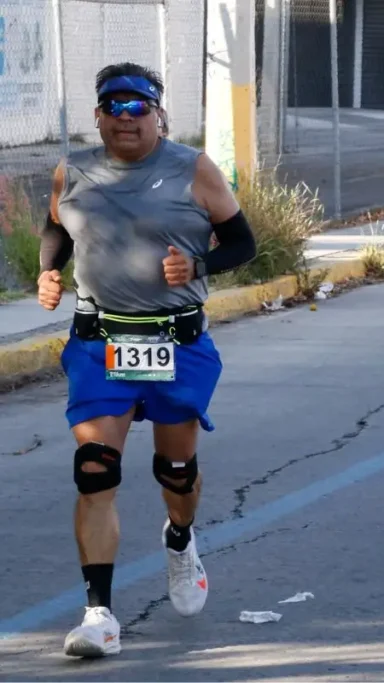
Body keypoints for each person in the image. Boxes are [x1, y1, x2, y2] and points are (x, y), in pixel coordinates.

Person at [39, 62, 256, 658]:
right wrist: (47, 271)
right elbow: (57, 225)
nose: (125, 117)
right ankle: (99, 614)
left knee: (176, 472)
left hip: (175, 343)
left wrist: (199, 265)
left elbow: (243, 241)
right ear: (98, 115)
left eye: (138, 107)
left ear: (159, 114)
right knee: (94, 468)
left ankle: (180, 539)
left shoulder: (193, 168)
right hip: (100, 343)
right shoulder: (74, 168)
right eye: (114, 106)